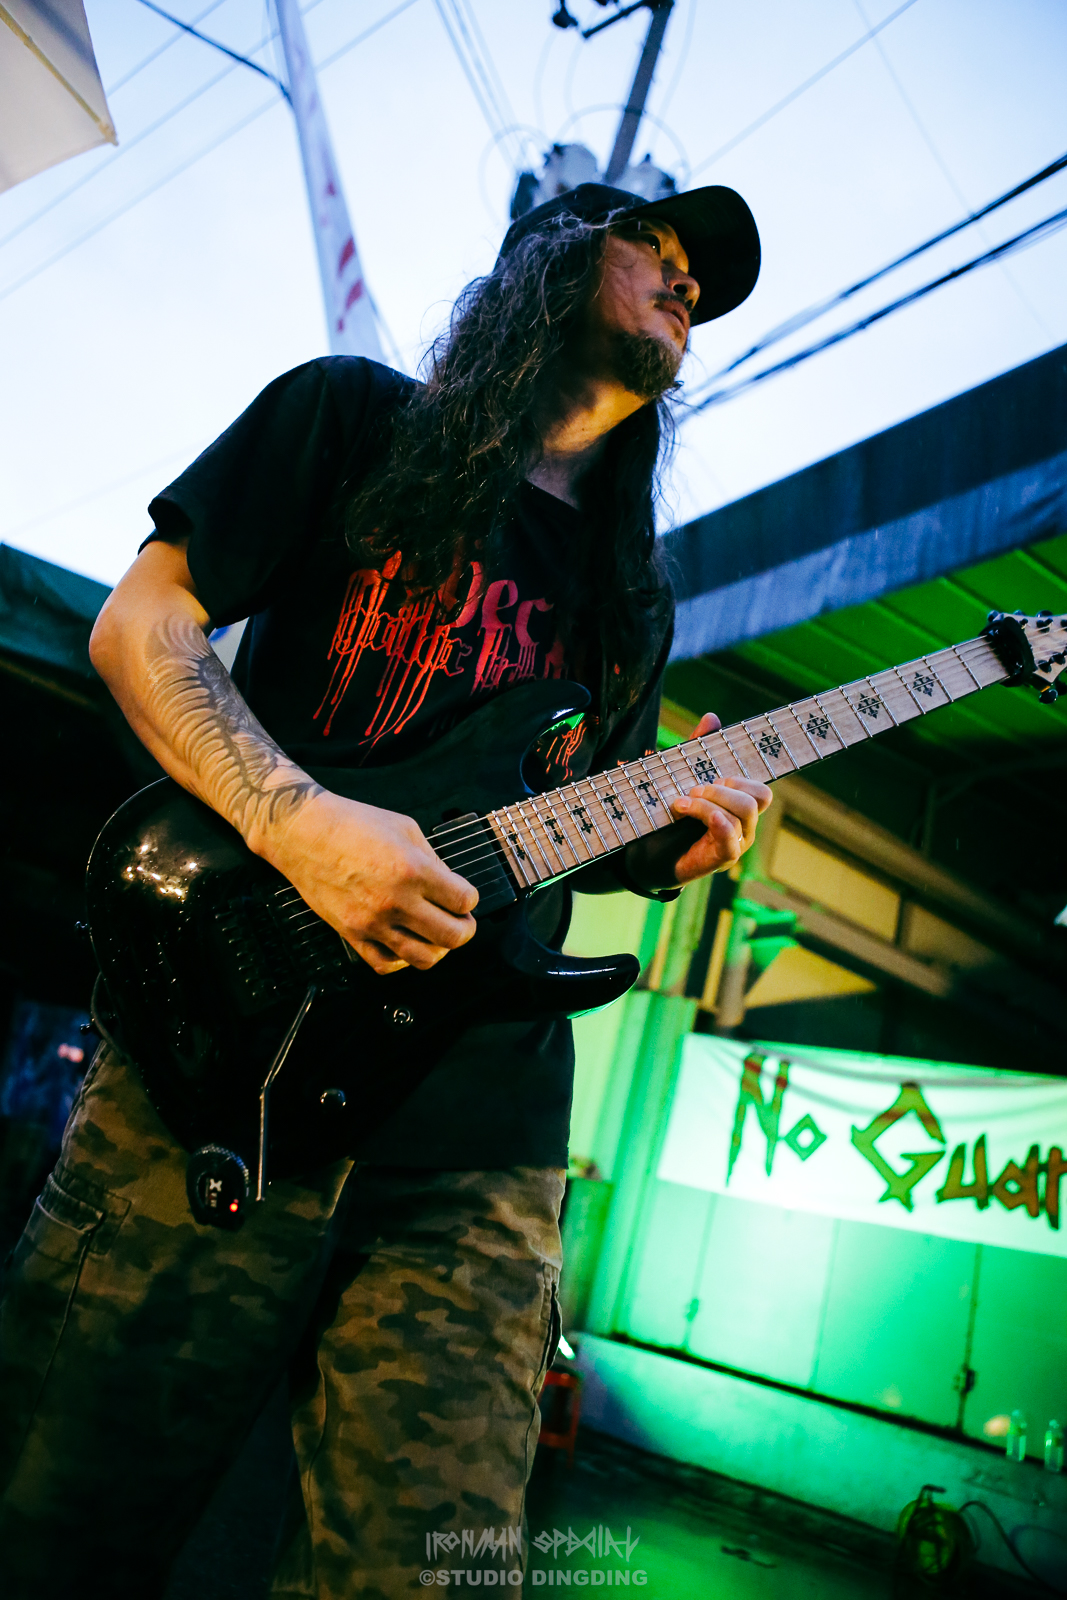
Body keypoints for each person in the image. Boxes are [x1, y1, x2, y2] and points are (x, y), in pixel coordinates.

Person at [0, 183, 770, 1598]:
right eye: (651, 247)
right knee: (52, 1524)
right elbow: (140, 624)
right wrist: (302, 826)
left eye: (698, 283)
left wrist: (667, 841)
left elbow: (569, 821)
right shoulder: (353, 419)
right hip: (229, 1058)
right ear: (551, 259)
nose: (683, 284)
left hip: (480, 1142)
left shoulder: (631, 591)